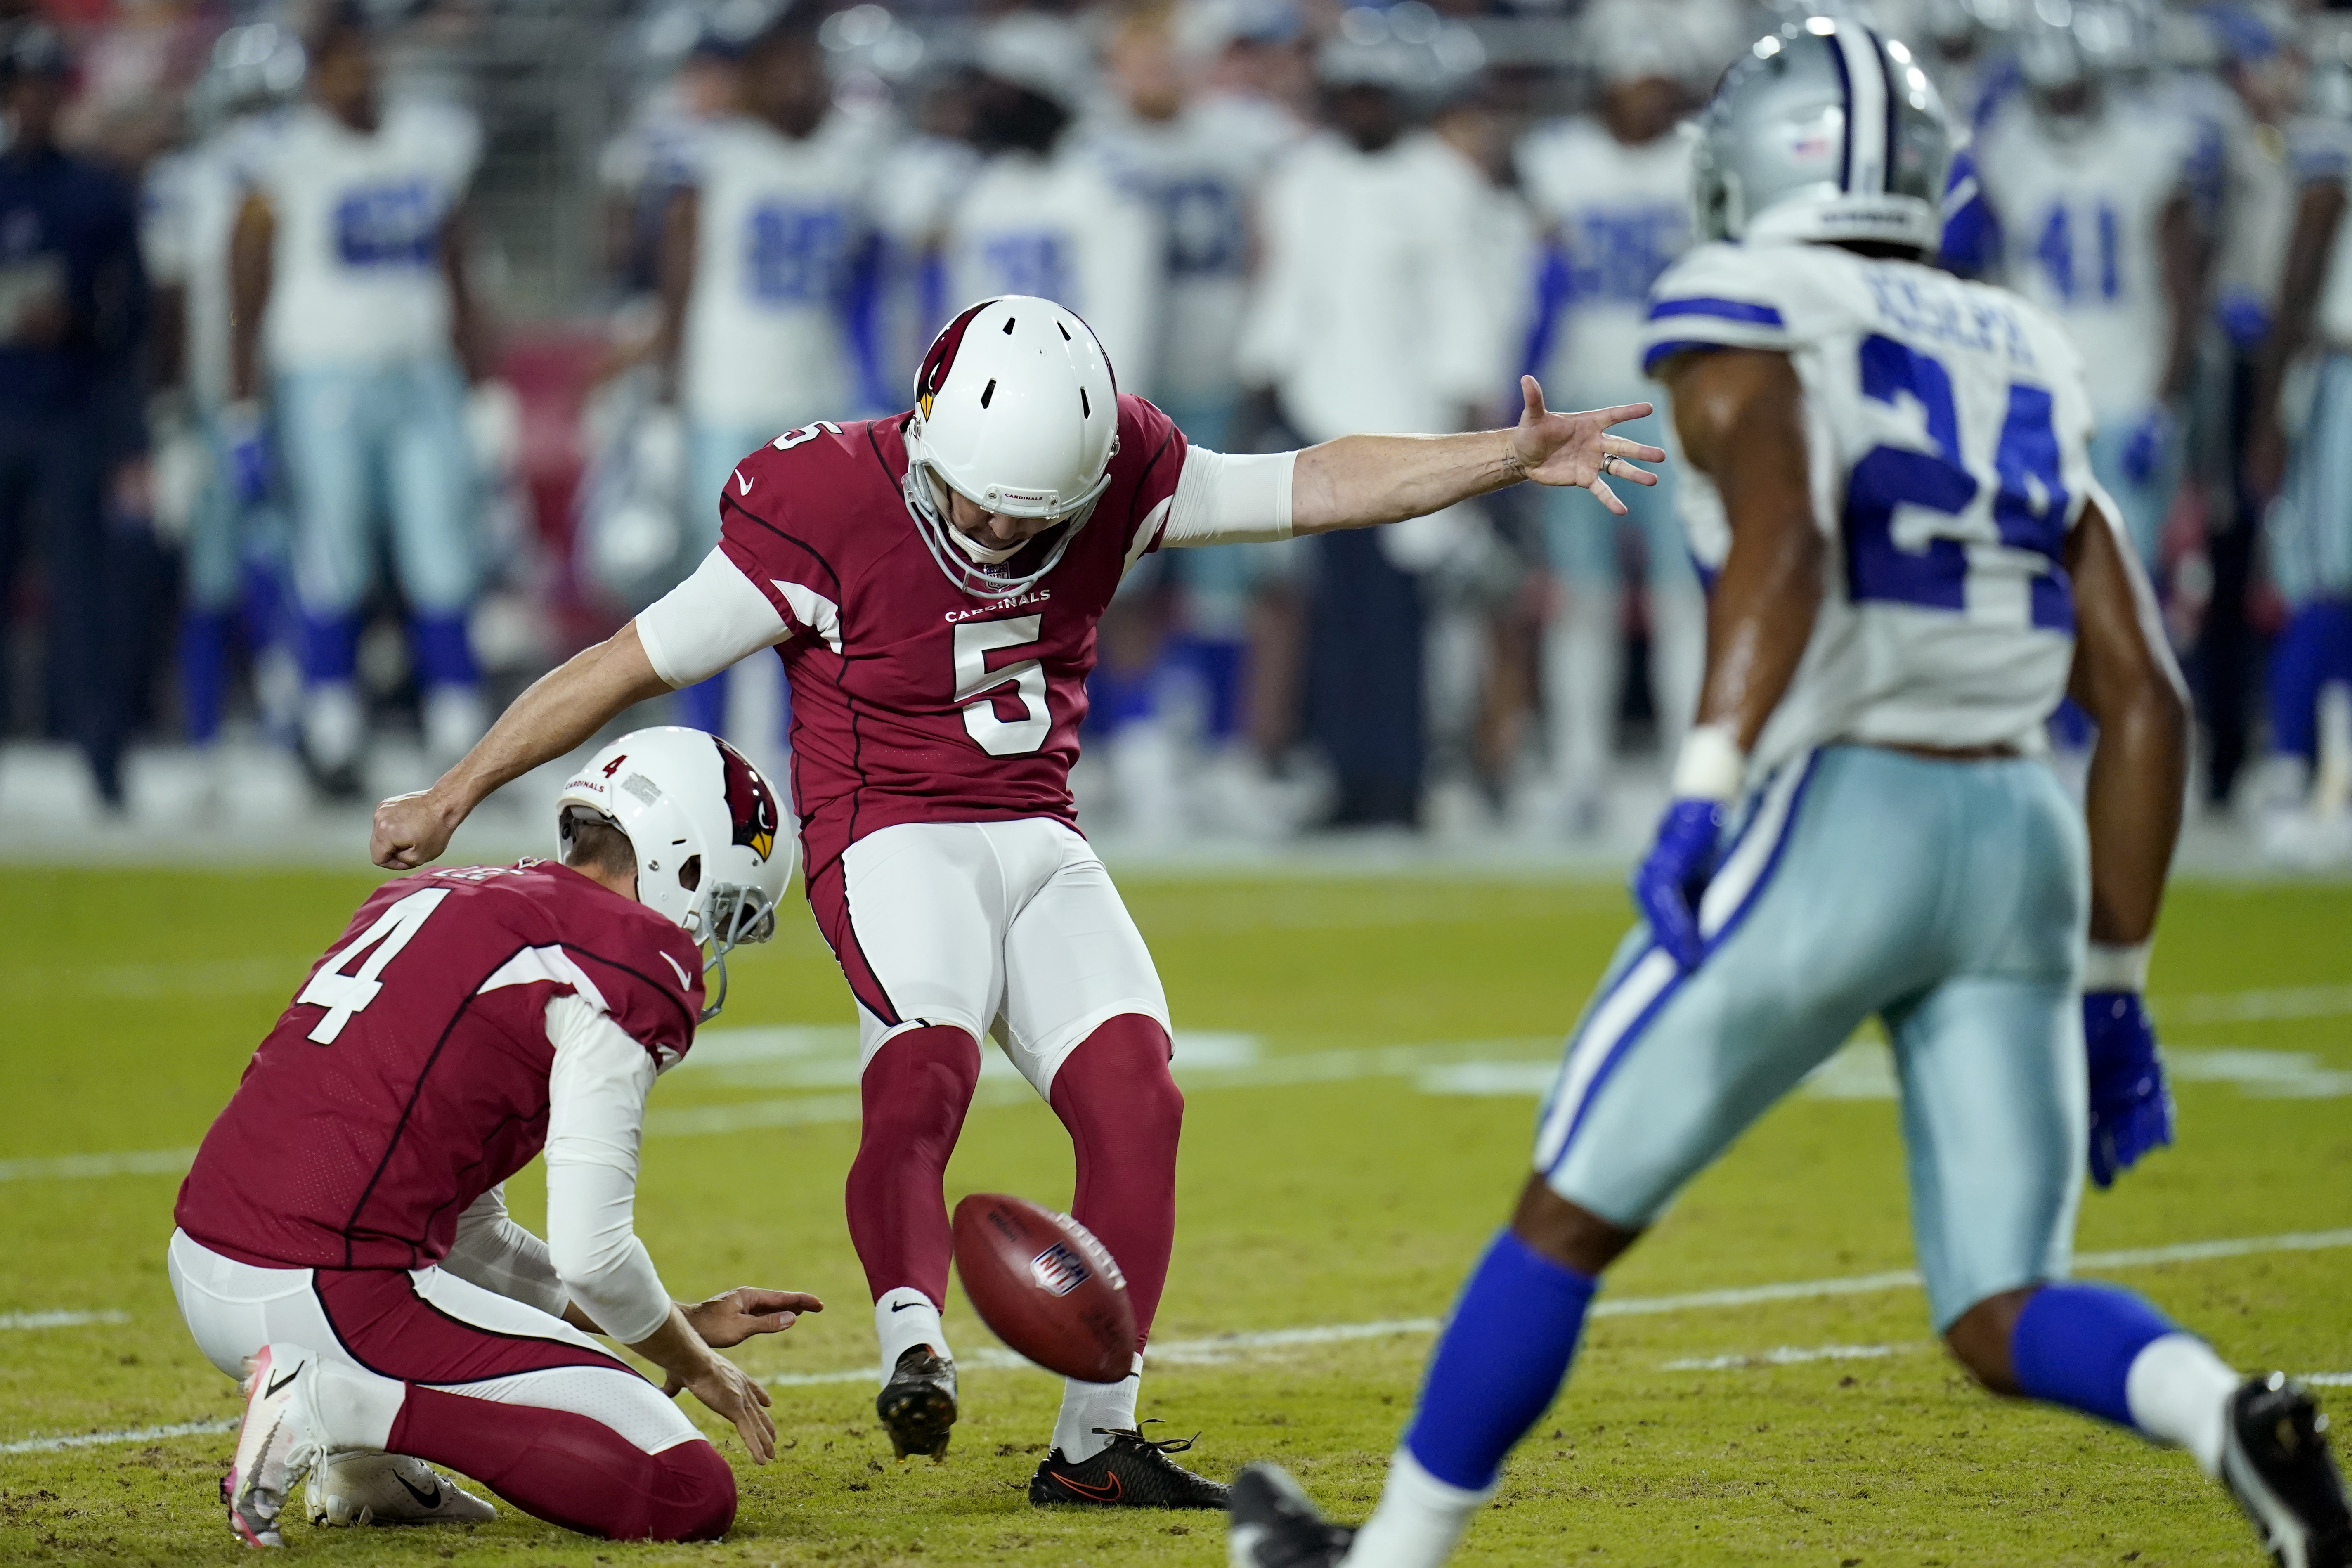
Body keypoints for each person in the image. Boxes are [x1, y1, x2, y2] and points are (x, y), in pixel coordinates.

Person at [1230, 21, 2352, 1568]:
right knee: (1998, 1303)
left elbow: (1786, 540)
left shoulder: (1747, 295)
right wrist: (2113, 985)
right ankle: (2232, 1416)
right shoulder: (2014, 338)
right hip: (2024, 829)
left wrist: (1702, 784)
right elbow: (2145, 695)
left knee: (1568, 1209)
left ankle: (1394, 1556)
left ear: (1767, 159)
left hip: (1844, 814)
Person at [367, 293, 1662, 1507]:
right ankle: (912, 1347)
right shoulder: (819, 498)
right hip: (891, 839)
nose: (992, 535)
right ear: (926, 428)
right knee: (924, 1069)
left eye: (1024, 518)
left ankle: (1097, 1442)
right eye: (976, 506)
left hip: (1038, 831)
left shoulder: (1125, 467)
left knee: (1138, 1098)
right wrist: (454, 789)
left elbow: (1315, 482)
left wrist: (1503, 456)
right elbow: (622, 663)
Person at [173, 724, 809, 1547]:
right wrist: (687, 1355)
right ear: (681, 864)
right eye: (720, 909)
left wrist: (677, 1315)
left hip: (210, 1262)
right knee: (685, 1487)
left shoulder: (444, 895)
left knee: (427, 1271)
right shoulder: (620, 959)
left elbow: (470, 1239)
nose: (703, 942)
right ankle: (335, 1402)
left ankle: (367, 1464)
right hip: (325, 1293)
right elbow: (595, 1254)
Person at [1234, 32, 1503, 826]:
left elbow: (1465, 307)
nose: (1361, 110)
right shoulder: (1305, 178)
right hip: (1320, 421)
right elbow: (1290, 290)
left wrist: (1463, 421)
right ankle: (1346, 777)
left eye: (1375, 96)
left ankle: (1404, 779)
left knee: (1404, 614)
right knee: (1335, 612)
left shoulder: (1440, 185)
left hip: (1410, 428)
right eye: (1349, 95)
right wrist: (1263, 380)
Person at [230, 6, 492, 796]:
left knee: (441, 548)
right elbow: (247, 273)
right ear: (315, 75)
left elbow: (455, 260)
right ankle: (331, 725)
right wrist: (244, 402)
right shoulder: (285, 154)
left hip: (419, 372)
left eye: (364, 59)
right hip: (323, 376)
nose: (359, 75)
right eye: (341, 63)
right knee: (333, 550)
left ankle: (459, 727)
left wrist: (480, 378)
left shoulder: (426, 139)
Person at [654, 9, 887, 743]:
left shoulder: (851, 160)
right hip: (725, 391)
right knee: (709, 582)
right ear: (750, 81)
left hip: (813, 395)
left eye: (805, 69)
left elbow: (867, 286)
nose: (796, 84)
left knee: (818, 588)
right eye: (780, 69)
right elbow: (676, 279)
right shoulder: (717, 156)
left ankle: (805, 746)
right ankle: (699, 740)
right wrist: (669, 391)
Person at [1517, 7, 1705, 834]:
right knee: (1582, 597)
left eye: (1658, 83)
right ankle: (1580, 767)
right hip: (1571, 398)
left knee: (1681, 591)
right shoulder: (1557, 160)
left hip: (1671, 392)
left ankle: (1686, 765)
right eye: (1635, 82)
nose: (1646, 99)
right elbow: (1534, 284)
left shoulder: (1699, 162)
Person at [1971, 9, 2211, 575]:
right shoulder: (2005, 142)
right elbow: (1985, 274)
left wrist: (2165, 405)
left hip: (2129, 391)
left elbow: (2185, 292)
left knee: (2129, 578)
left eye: (2073, 91)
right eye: (2053, 93)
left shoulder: (2149, 146)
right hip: (2042, 393)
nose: (2064, 106)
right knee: (2043, 576)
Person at [144, 22, 303, 763]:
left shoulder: (303, 167)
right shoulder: (193, 181)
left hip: (291, 393)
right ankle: (219, 732)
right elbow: (184, 306)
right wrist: (176, 414)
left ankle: (285, 726)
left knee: (292, 572)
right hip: (238, 397)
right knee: (227, 574)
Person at [0, 20, 148, 811]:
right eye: (19, 87)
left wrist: (80, 320)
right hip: (8, 406)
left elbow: (134, 314)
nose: (31, 103)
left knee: (84, 597)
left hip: (71, 415)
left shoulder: (95, 192)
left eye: (42, 87)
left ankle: (103, 761)